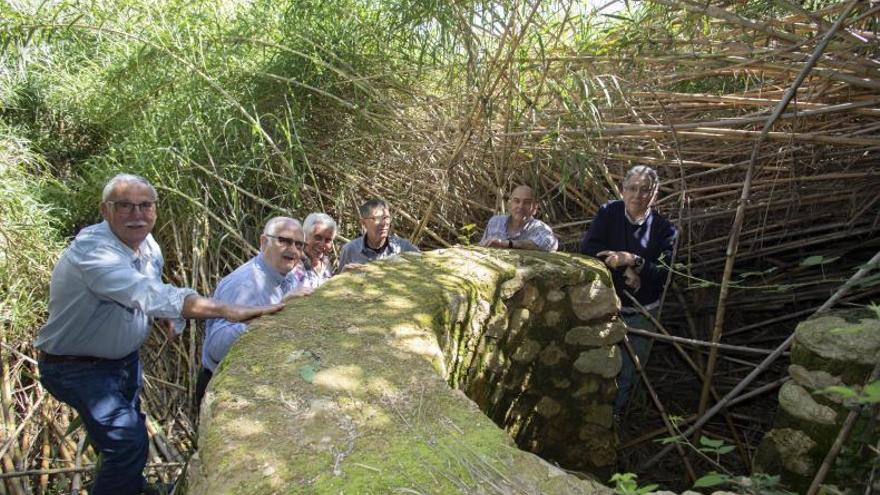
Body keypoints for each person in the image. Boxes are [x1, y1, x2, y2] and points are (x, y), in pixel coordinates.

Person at [35, 173, 283, 495]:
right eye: (124, 206)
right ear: (105, 210)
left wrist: (171, 317)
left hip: (123, 362)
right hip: (75, 367)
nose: (137, 215)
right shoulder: (93, 253)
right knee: (126, 439)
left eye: (145, 206)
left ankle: (131, 488)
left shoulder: (147, 244)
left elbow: (155, 289)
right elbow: (144, 293)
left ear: (154, 209)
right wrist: (227, 309)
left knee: (120, 438)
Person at [579, 165, 678, 418]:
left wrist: (634, 260)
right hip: (606, 308)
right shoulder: (608, 213)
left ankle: (614, 418)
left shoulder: (665, 229)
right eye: (632, 188)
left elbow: (664, 274)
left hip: (642, 313)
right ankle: (591, 415)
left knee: (629, 370)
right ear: (622, 190)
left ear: (654, 194)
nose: (638, 195)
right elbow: (589, 249)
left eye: (645, 190)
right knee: (595, 364)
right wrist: (619, 264)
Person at [196, 217, 310, 405]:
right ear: (264, 242)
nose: (293, 250)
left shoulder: (285, 276)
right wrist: (270, 313)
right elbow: (216, 347)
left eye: (299, 245)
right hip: (223, 388)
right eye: (284, 241)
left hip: (255, 381)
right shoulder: (245, 283)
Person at [337, 199, 419, 270]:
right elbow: (339, 284)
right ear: (363, 223)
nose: (384, 223)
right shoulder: (350, 250)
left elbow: (424, 266)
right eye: (377, 219)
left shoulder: (403, 247)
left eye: (386, 218)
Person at [480, 184, 558, 252]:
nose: (520, 206)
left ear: (535, 207)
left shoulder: (539, 228)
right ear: (510, 204)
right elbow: (481, 246)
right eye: (516, 201)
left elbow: (551, 244)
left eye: (527, 202)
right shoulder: (495, 222)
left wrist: (508, 244)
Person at [292, 212, 337, 289]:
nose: (322, 244)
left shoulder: (326, 263)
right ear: (304, 236)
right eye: (318, 238)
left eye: (328, 240)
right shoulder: (292, 263)